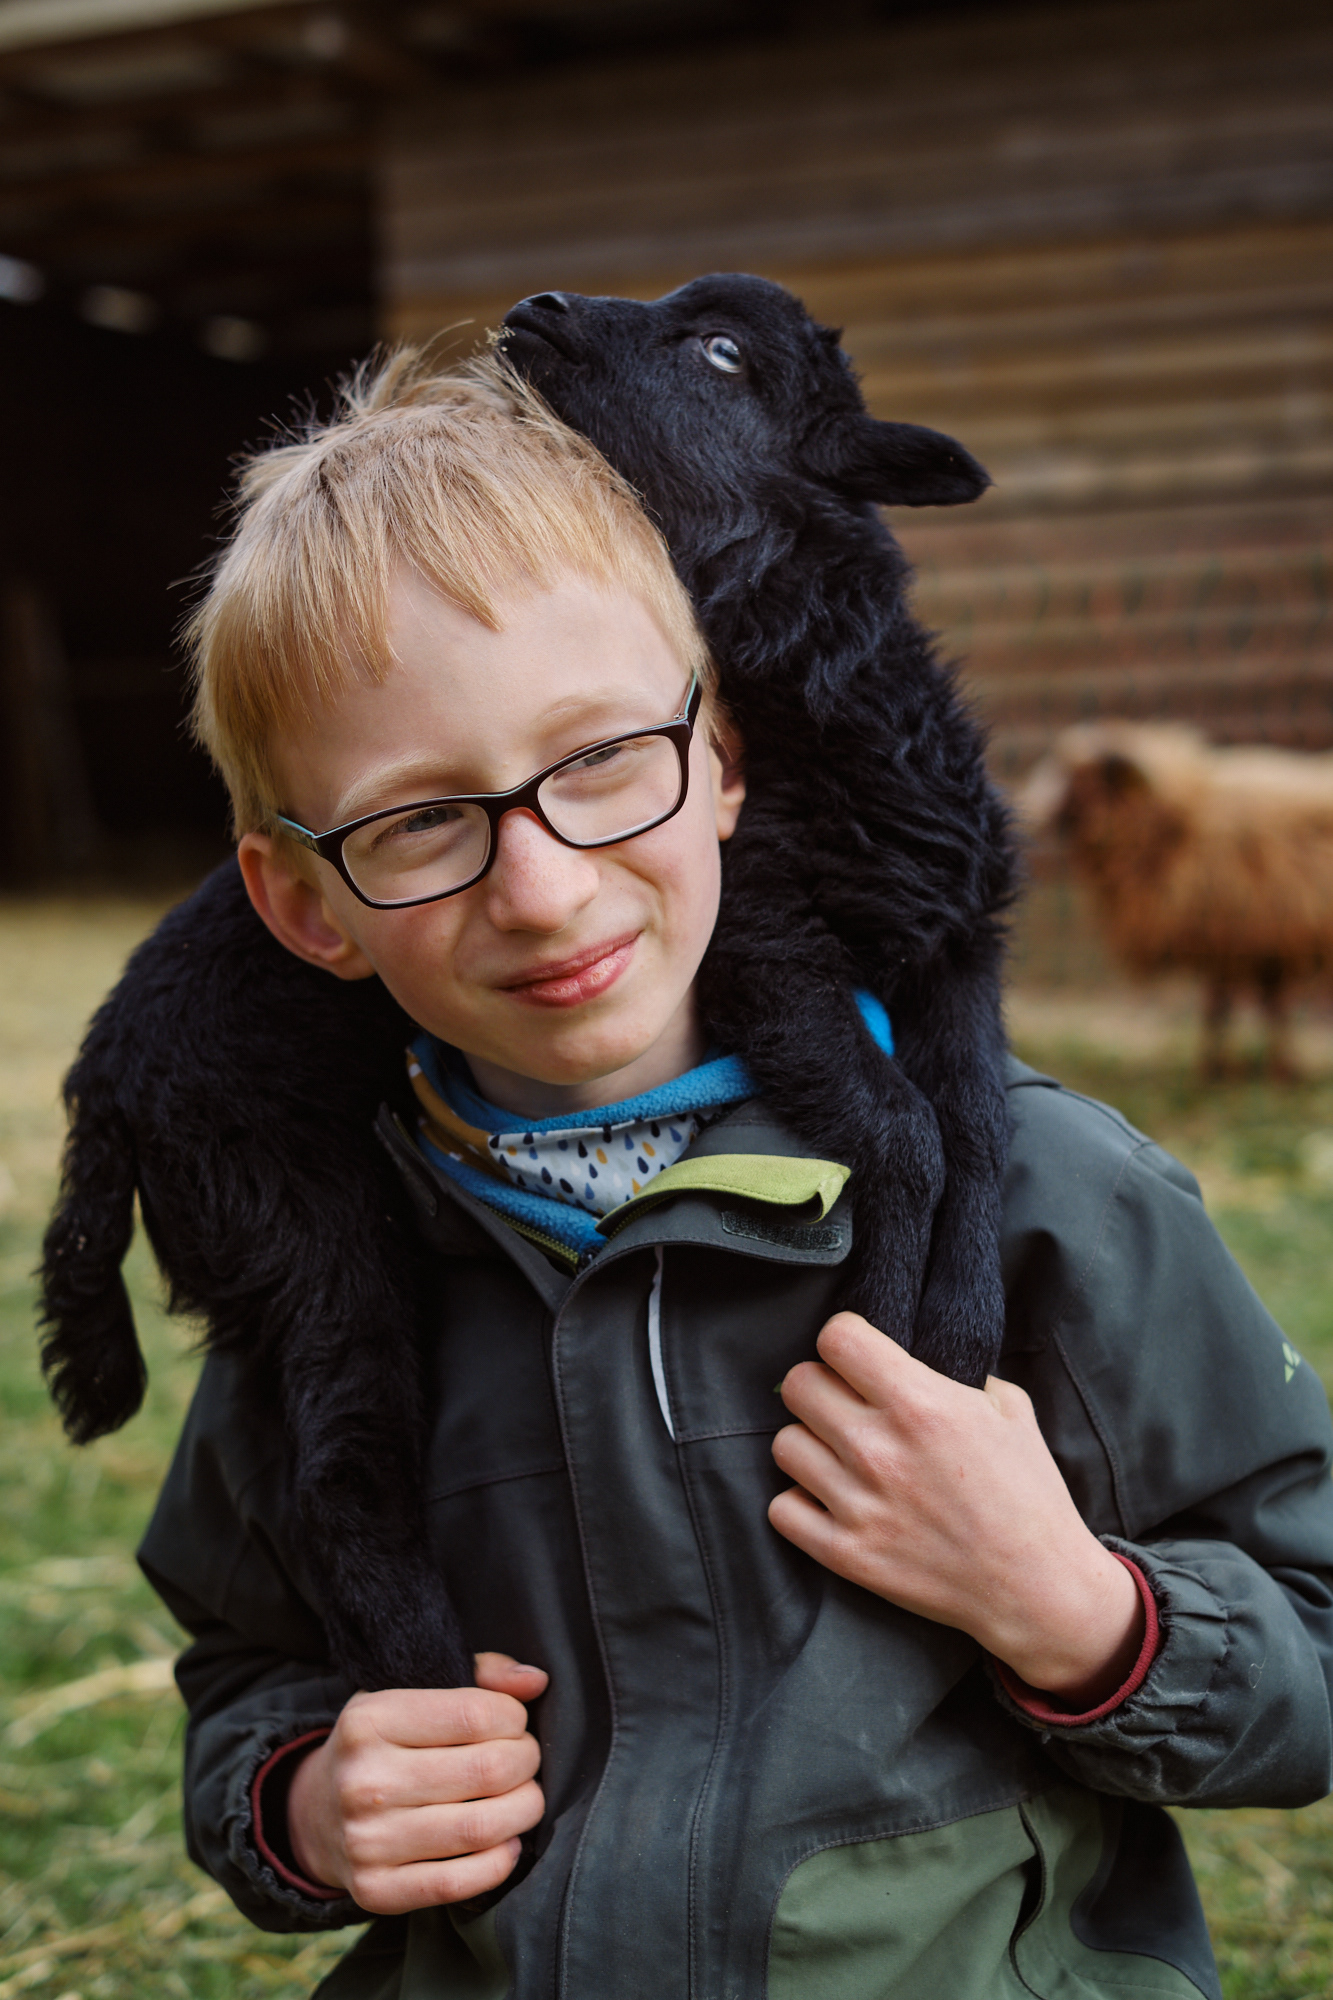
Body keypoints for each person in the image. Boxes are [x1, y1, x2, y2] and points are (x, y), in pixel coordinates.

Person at [127, 348, 1332, 2000]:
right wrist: (303, 1802)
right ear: (300, 904)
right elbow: (246, 1656)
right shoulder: (323, 1286)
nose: (543, 890)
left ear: (724, 756)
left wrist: (1080, 1613)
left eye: (600, 758)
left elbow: (1311, 1642)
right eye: (416, 823)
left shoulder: (1040, 1194)